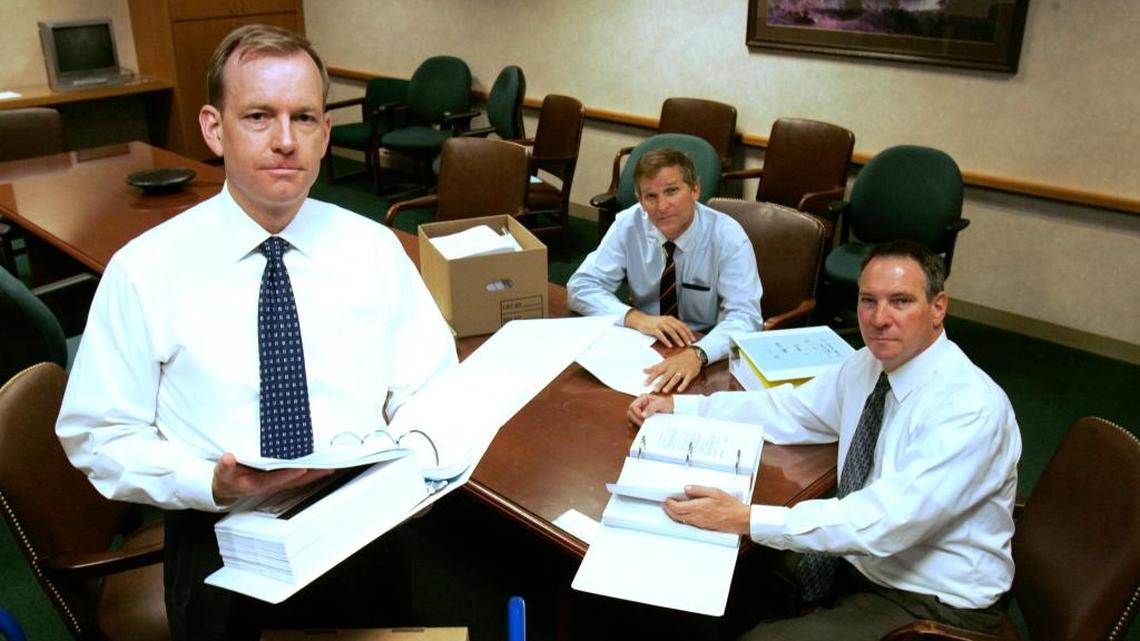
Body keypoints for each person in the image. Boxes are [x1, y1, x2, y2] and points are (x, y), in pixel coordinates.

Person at [55, 25, 457, 641]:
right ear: (215, 129)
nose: (285, 141)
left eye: (304, 117)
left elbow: (431, 387)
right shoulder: (147, 270)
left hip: (360, 527)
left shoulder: (374, 250)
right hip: (217, 538)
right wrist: (207, 481)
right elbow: (99, 430)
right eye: (259, 116)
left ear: (326, 132)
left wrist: (411, 460)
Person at [627, 240, 1021, 640]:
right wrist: (685, 408)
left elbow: (884, 523)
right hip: (862, 561)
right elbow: (792, 410)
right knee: (719, 577)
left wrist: (745, 518)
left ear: (938, 307)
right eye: (869, 300)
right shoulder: (869, 363)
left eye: (900, 301)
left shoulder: (969, 409)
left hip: (929, 599)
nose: (880, 318)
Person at [567, 148, 763, 394]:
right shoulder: (629, 224)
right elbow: (581, 287)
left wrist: (699, 353)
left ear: (695, 190)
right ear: (640, 201)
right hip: (645, 343)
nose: (662, 206)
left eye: (672, 191)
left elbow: (746, 317)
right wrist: (636, 318)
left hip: (709, 349)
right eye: (651, 196)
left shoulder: (728, 236)